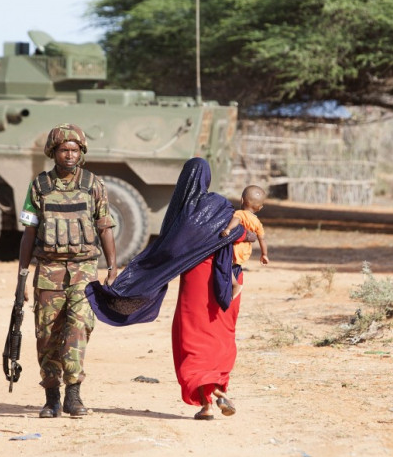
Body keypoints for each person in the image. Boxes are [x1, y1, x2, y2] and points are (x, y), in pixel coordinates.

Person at [86, 157, 253, 420]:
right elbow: (242, 231)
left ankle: (207, 404)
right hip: (224, 284)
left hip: (195, 285)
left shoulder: (180, 215)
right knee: (220, 336)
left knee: (190, 338)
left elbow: (169, 252)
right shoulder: (220, 206)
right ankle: (219, 389)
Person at [16, 122, 117, 418]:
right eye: (63, 150)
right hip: (48, 272)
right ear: (53, 152)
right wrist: (22, 276)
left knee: (77, 331)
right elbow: (29, 234)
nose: (69, 155)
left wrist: (112, 269)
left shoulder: (93, 185)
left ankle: (74, 396)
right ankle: (51, 399)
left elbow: (105, 227)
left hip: (84, 272)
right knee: (47, 336)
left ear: (81, 152)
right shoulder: (39, 186)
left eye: (74, 150)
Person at [220, 185, 269, 299]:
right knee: (233, 266)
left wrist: (228, 229)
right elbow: (262, 239)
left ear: (242, 200)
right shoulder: (257, 222)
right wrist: (264, 254)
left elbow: (236, 220)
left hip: (235, 249)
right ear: (260, 208)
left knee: (225, 264)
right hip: (245, 251)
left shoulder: (239, 214)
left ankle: (235, 284)